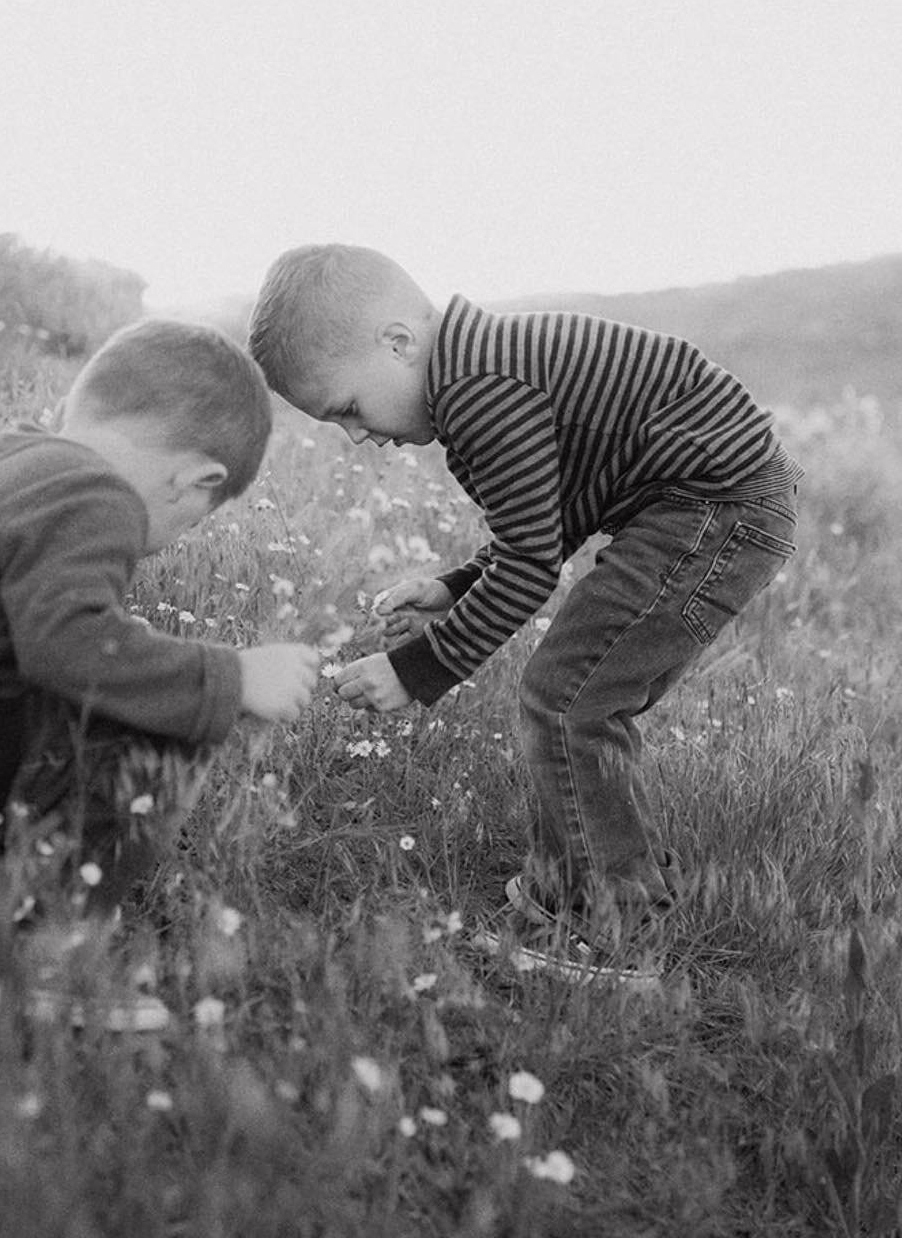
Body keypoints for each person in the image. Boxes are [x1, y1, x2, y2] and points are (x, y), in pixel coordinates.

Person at [248, 243, 802, 981]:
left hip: (715, 507)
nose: (358, 435)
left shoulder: (480, 388)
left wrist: (416, 670)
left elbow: (532, 564)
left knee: (570, 698)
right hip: (702, 503)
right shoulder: (478, 371)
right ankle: (569, 888)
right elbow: (546, 522)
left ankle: (618, 932)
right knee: (574, 694)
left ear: (398, 342)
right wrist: (455, 585)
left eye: (349, 408)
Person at [0, 318, 319, 1023]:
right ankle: (31, 952)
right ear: (197, 480)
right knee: (164, 708)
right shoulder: (96, 495)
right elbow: (69, 648)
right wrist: (231, 679)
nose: (173, 542)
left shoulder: (17, 461)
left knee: (131, 680)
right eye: (193, 521)